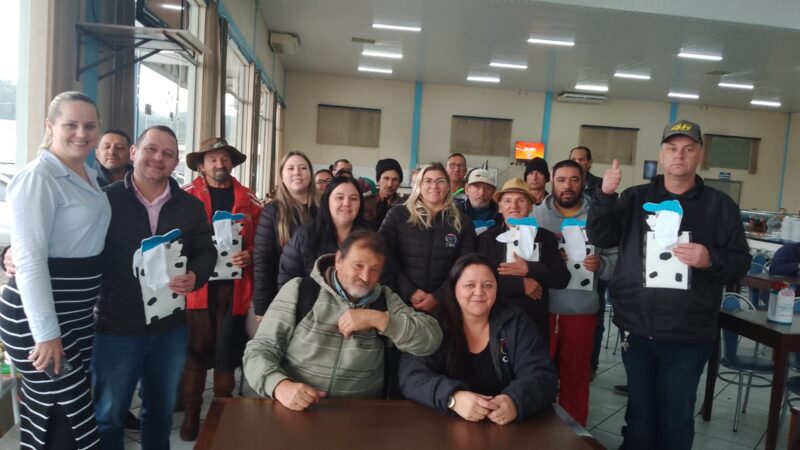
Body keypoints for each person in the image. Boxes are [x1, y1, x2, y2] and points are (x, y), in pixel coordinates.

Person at [587, 119, 750, 450]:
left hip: (689, 333)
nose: (680, 155)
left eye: (689, 149)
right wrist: (605, 195)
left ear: (700, 156)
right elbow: (601, 236)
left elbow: (740, 264)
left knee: (676, 415)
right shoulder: (634, 198)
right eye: (672, 148)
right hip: (637, 326)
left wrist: (709, 259)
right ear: (661, 155)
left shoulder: (720, 207)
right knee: (640, 413)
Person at [92, 125, 217, 449]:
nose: (158, 158)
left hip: (169, 328)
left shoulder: (188, 206)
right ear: (134, 153)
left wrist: (195, 274)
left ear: (176, 161)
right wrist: (10, 254)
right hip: (115, 328)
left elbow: (206, 250)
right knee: (108, 414)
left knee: (160, 412)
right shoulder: (106, 201)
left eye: (168, 153)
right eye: (150, 149)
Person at [0, 91, 110, 449]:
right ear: (50, 126)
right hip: (39, 321)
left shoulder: (90, 176)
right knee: (64, 417)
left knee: (60, 413)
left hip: (73, 317)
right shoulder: (39, 178)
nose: (82, 133)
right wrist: (46, 333)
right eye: (71, 125)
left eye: (89, 125)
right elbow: (30, 260)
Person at [243, 230, 443, 409]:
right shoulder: (301, 290)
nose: (366, 277)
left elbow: (431, 339)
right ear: (338, 260)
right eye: (358, 265)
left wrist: (379, 319)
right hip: (297, 408)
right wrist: (279, 386)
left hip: (360, 415)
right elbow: (259, 350)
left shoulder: (385, 300)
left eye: (374, 269)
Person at [398, 254, 557, 424]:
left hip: (505, 426)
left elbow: (542, 374)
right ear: (453, 289)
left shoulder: (516, 322)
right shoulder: (434, 324)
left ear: (497, 288)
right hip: (444, 426)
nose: (479, 292)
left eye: (488, 285)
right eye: (469, 285)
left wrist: (514, 401)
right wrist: (452, 398)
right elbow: (411, 375)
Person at [179, 137, 262, 440]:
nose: (219, 164)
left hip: (235, 290)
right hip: (198, 289)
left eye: (224, 158)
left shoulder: (249, 199)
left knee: (228, 352)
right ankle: (190, 416)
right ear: (201, 165)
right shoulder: (184, 197)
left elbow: (262, 240)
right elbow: (172, 237)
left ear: (232, 163)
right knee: (196, 354)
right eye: (212, 159)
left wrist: (250, 252)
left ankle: (222, 416)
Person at [533, 159, 617, 427]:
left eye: (574, 179)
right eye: (561, 180)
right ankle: (534, 430)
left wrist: (601, 265)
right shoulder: (536, 215)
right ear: (552, 182)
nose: (567, 186)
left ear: (584, 182)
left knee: (576, 379)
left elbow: (616, 260)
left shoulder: (600, 215)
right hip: (541, 310)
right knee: (535, 376)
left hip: (580, 312)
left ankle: (573, 435)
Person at [477, 178, 570, 343]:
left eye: (521, 200)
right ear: (500, 207)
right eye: (507, 201)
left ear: (530, 206)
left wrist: (530, 268)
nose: (514, 206)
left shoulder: (546, 237)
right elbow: (479, 280)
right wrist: (520, 285)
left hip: (535, 324)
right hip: (496, 321)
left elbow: (562, 278)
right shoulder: (487, 239)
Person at [379, 162, 477, 312]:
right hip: (399, 302)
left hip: (445, 306)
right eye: (428, 181)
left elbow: (465, 266)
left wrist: (438, 297)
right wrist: (409, 291)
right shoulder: (398, 215)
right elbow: (382, 255)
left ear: (448, 186)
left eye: (440, 181)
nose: (434, 186)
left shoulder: (463, 222)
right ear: (419, 184)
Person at [252, 151, 319, 318]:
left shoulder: (325, 208)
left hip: (321, 295)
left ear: (311, 174)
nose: (297, 172)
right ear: (282, 176)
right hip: (284, 296)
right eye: (290, 168)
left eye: (303, 168)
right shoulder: (272, 212)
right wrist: (262, 307)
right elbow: (263, 262)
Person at [278, 176, 369, 287]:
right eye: (339, 198)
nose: (346, 203)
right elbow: (287, 283)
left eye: (353, 198)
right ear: (327, 201)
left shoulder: (371, 238)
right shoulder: (304, 236)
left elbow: (382, 279)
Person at [457, 168, 503, 235]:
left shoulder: (502, 216)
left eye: (487, 188)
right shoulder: (455, 214)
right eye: (477, 186)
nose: (481, 193)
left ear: (493, 191)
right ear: (467, 189)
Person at [374, 158, 407, 228]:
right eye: (386, 178)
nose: (390, 184)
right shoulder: (368, 203)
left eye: (395, 179)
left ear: (399, 183)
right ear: (378, 180)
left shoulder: (405, 207)